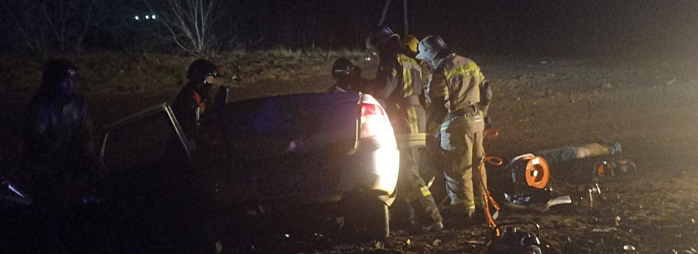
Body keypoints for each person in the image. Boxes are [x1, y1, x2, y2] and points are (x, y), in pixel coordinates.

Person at [365, 26, 443, 231]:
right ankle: (406, 217)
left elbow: (383, 89)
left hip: (403, 120)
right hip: (416, 119)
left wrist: (364, 87)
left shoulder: (390, 61)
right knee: (404, 172)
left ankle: (432, 216)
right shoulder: (410, 61)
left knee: (409, 173)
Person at [22, 59, 96, 253]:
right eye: (64, 80)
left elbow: (86, 135)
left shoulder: (79, 105)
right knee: (51, 216)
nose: (70, 85)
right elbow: (36, 140)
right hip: (46, 171)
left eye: (72, 80)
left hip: (72, 169)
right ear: (52, 81)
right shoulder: (40, 106)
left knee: (82, 209)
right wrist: (63, 157)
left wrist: (89, 162)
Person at [417, 35, 491, 219]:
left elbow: (440, 108)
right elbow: (487, 91)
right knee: (477, 166)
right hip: (477, 122)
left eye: (425, 60)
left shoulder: (441, 70)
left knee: (458, 168)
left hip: (456, 125)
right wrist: (482, 113)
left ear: (430, 55)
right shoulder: (470, 63)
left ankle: (463, 211)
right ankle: (483, 207)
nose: (426, 64)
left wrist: (429, 133)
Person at [172, 59, 228, 148]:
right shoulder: (191, 98)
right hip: (184, 146)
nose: (211, 83)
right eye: (210, 79)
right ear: (201, 79)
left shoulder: (197, 93)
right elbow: (192, 127)